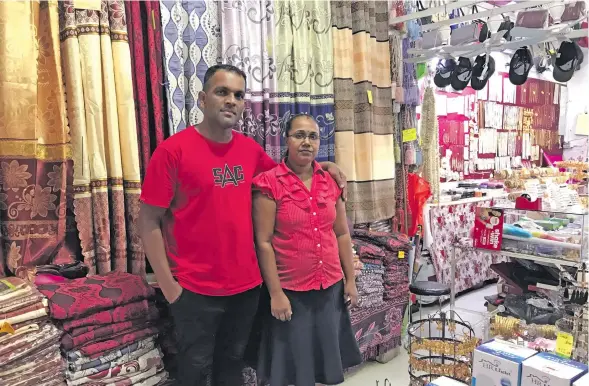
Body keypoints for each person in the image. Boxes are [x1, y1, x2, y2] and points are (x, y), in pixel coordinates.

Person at [138, 64, 347, 386]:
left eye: (238, 94)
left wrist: (325, 165)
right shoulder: (172, 152)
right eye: (222, 92)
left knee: (233, 365)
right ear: (202, 98)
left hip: (246, 286)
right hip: (194, 289)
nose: (231, 101)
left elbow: (286, 177)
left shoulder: (249, 150)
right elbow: (148, 220)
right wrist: (170, 287)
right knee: (193, 369)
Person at [252, 114, 362, 386]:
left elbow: (342, 233)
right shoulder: (269, 184)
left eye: (313, 136)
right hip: (291, 291)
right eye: (299, 135)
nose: (306, 142)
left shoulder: (330, 182)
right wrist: (276, 294)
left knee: (324, 362)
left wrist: (349, 280)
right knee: (294, 368)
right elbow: (263, 242)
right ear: (286, 140)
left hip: (330, 288)